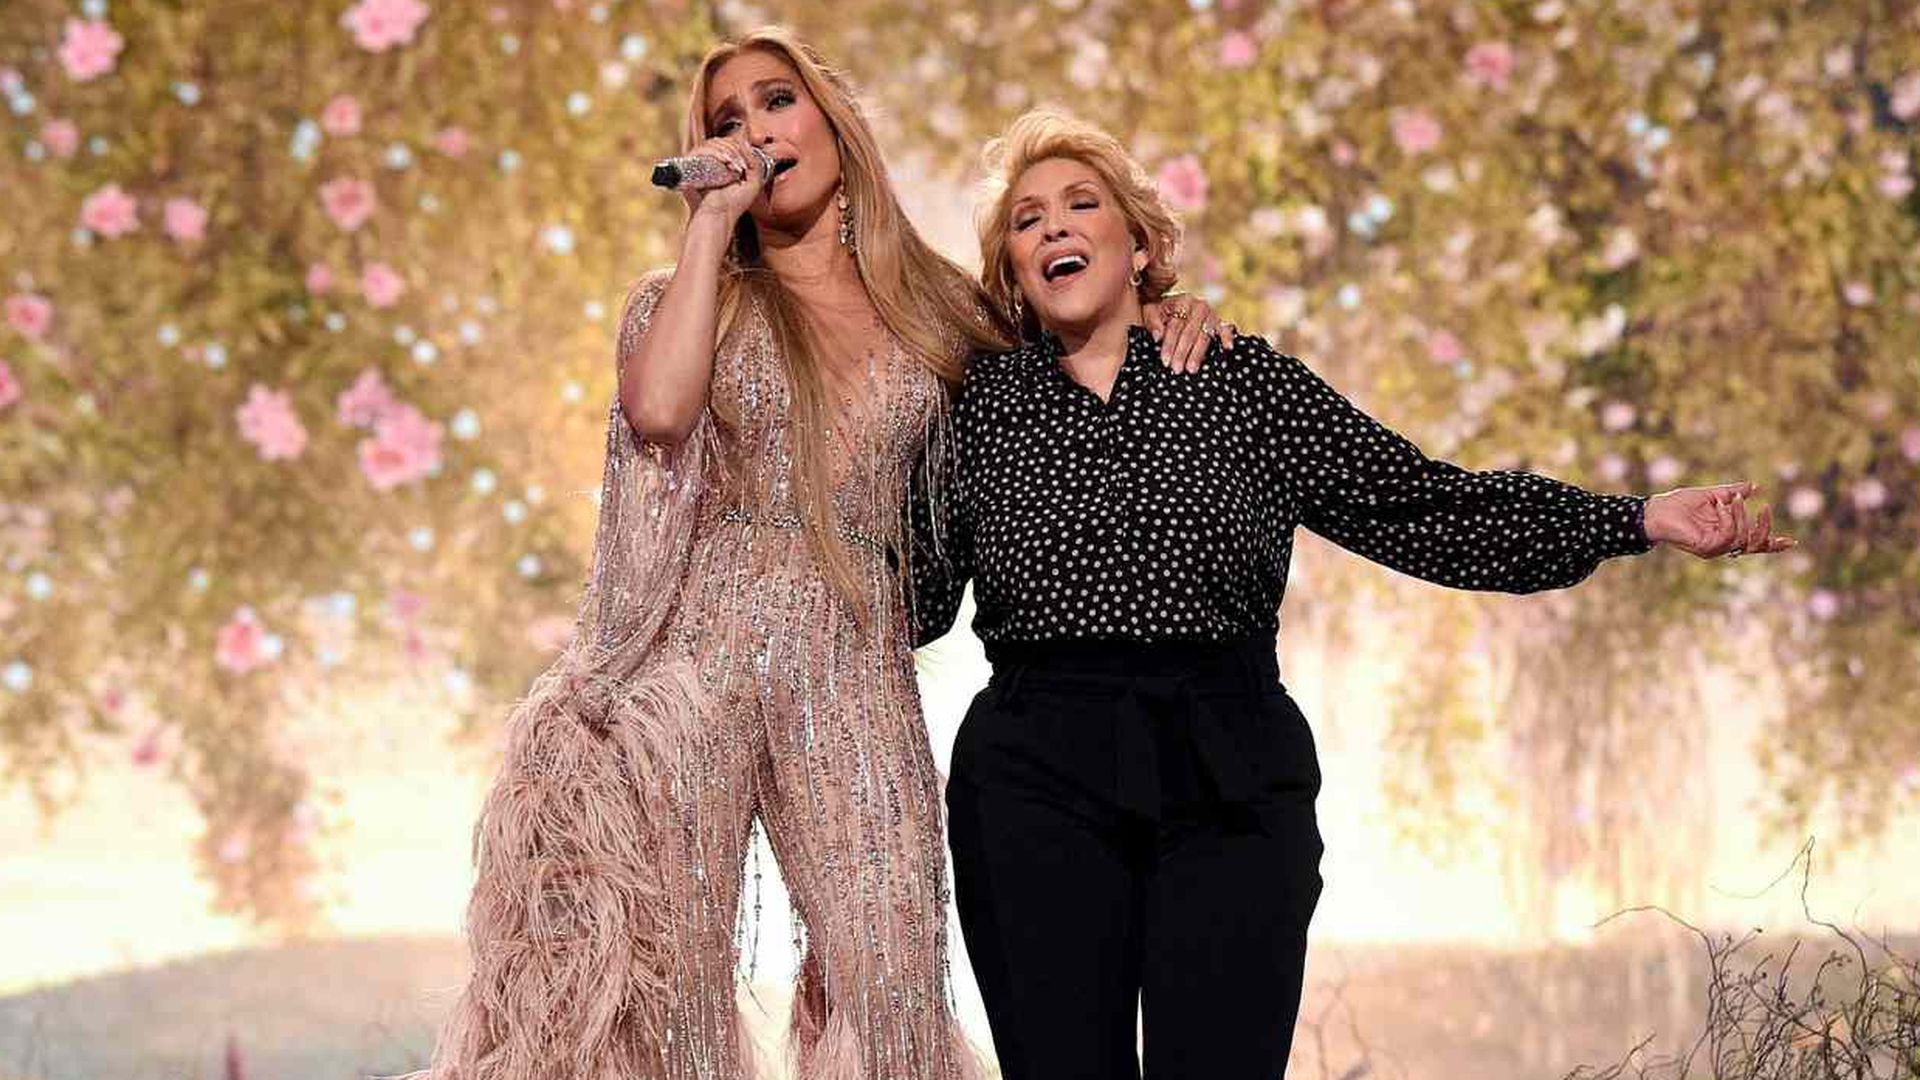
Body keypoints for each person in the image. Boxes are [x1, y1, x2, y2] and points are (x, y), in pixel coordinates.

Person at [908, 109, 1795, 1080]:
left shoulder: (1246, 384)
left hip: (1227, 764)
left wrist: (1634, 520)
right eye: (1028, 221)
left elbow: (1426, 508)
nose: (1056, 228)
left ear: (1140, 244)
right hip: (1036, 776)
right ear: (1011, 272)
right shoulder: (978, 409)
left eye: (1084, 204)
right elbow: (912, 598)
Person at [417, 33, 1227, 1080]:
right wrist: (709, 226)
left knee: (891, 976)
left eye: (774, 100)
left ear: (832, 120)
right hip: (689, 670)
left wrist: (1165, 307)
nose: (753, 130)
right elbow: (659, 414)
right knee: (675, 997)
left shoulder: (946, 312)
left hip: (851, 662)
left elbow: (1073, 342)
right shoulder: (695, 297)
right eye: (723, 121)